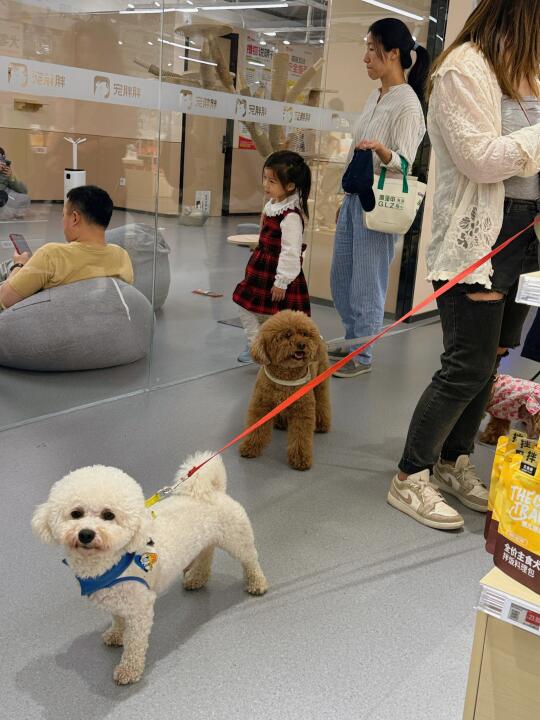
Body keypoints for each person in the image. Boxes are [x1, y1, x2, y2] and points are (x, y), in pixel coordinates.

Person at [389, 0, 540, 531]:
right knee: (466, 366)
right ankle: (410, 474)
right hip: (481, 237)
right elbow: (481, 159)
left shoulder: (527, 72)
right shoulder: (463, 67)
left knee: (492, 360)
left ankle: (453, 460)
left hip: (526, 236)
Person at [329, 19, 428, 378]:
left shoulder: (409, 104)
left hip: (379, 203)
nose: (366, 57)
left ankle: (363, 355)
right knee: (341, 278)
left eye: (372, 48)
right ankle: (353, 341)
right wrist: (343, 199)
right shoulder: (376, 96)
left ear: (394, 53)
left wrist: (384, 152)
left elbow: (406, 163)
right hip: (355, 198)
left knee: (367, 284)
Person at [233, 150, 312, 363]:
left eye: (272, 181)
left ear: (290, 186)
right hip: (262, 267)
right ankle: (257, 345)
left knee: (276, 316)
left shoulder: (290, 216)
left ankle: (262, 348)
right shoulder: (273, 205)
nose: (265, 185)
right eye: (265, 178)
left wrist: (282, 281)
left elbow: (291, 251)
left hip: (277, 274)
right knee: (248, 306)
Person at [0, 185, 133, 310]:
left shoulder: (51, 256)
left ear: (75, 218)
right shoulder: (122, 256)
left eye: (63, 215)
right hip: (95, 320)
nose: (62, 221)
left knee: (8, 266)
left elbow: (4, 300)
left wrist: (18, 265)